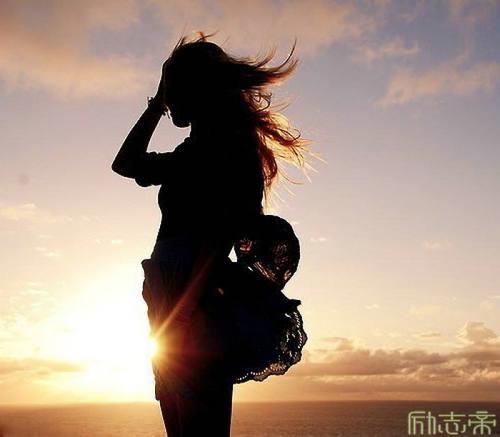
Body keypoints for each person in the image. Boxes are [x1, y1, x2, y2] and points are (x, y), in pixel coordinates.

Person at [111, 31, 310, 437]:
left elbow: (218, 236)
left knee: (199, 420)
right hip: (170, 291)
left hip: (194, 297)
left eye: (172, 87)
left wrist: (185, 309)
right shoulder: (194, 151)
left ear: (196, 88)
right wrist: (157, 102)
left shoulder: (225, 150)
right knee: (180, 417)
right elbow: (126, 164)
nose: (169, 98)